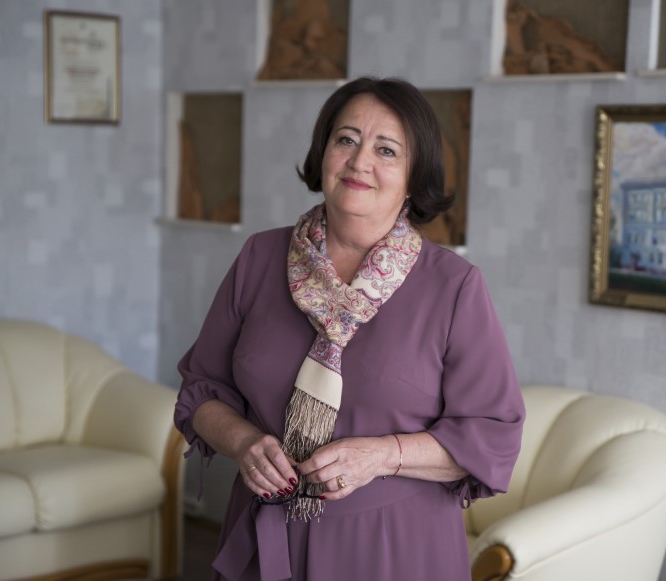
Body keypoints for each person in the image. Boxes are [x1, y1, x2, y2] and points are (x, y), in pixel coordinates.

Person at [174, 76, 525, 581]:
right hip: (263, 539)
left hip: (394, 550)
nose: (361, 161)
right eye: (346, 140)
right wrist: (245, 442)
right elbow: (201, 390)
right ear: (323, 154)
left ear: (414, 176)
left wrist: (382, 456)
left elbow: (492, 436)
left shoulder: (454, 287)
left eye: (387, 150)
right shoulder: (259, 257)